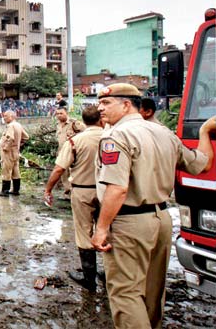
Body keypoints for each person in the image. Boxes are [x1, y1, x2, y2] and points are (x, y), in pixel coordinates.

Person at [92, 83, 215, 329]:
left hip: (129, 222)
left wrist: (102, 228)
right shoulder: (164, 133)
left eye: (106, 103)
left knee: (125, 293)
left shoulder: (116, 136)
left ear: (126, 104)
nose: (99, 108)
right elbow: (201, 163)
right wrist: (204, 132)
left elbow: (117, 188)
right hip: (161, 219)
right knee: (152, 290)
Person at [44, 106, 104, 291]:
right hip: (108, 192)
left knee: (84, 232)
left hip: (83, 191)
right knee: (109, 231)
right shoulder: (113, 137)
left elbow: (59, 169)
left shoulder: (75, 142)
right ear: (101, 119)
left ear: (83, 121)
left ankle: (89, 278)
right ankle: (110, 274)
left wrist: (48, 190)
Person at [0, 110, 28, 196]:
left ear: (12, 116)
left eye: (6, 116)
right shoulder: (18, 125)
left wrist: (6, 147)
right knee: (15, 170)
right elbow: (26, 137)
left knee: (6, 170)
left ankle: (5, 191)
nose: (4, 117)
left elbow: (10, 138)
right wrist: (18, 145)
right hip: (15, 151)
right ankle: (15, 190)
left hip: (8, 152)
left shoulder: (10, 126)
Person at [55, 106, 86, 196]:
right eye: (57, 114)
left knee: (74, 172)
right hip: (62, 152)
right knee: (63, 173)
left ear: (66, 113)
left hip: (73, 152)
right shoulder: (58, 125)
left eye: (61, 113)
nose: (59, 115)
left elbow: (85, 132)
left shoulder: (74, 123)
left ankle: (75, 191)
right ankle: (67, 191)